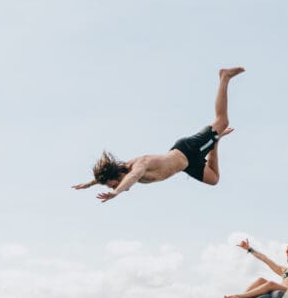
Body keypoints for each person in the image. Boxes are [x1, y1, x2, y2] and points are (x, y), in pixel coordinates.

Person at [73, 67, 244, 202]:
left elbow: (132, 177)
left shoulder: (139, 165)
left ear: (116, 177)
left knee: (222, 121)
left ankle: (224, 77)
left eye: (112, 185)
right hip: (186, 164)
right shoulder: (124, 167)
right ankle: (216, 140)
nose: (113, 187)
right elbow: (114, 176)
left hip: (189, 150)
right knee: (213, 179)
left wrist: (116, 192)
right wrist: (89, 184)